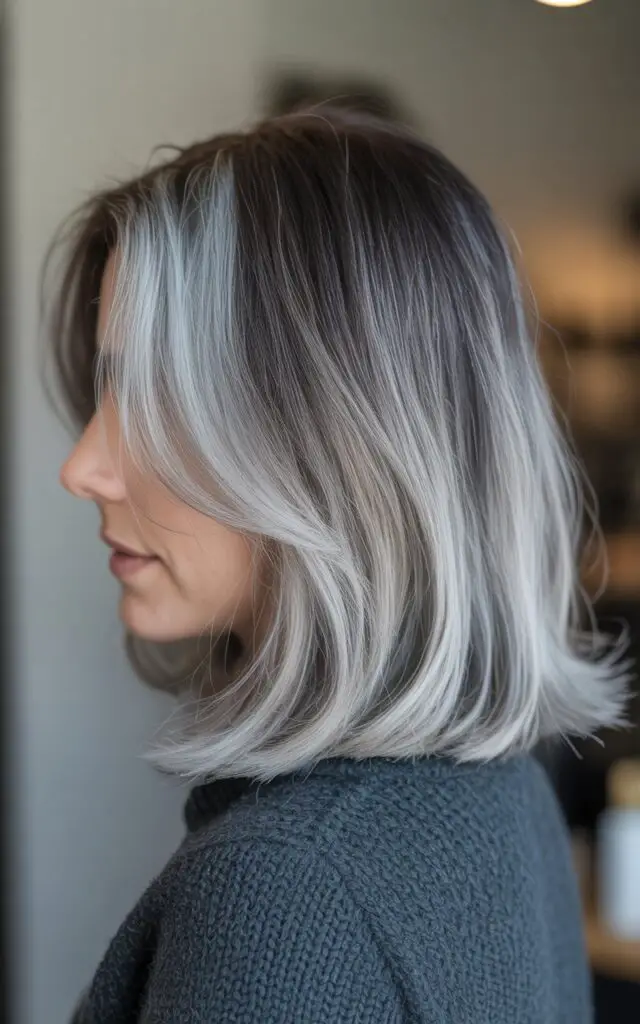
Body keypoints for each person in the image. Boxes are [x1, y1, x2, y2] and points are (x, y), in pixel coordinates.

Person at [45, 107, 629, 1023]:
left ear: (331, 441)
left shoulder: (284, 893)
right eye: (109, 388)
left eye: (156, 391)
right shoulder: (504, 788)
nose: (83, 466)